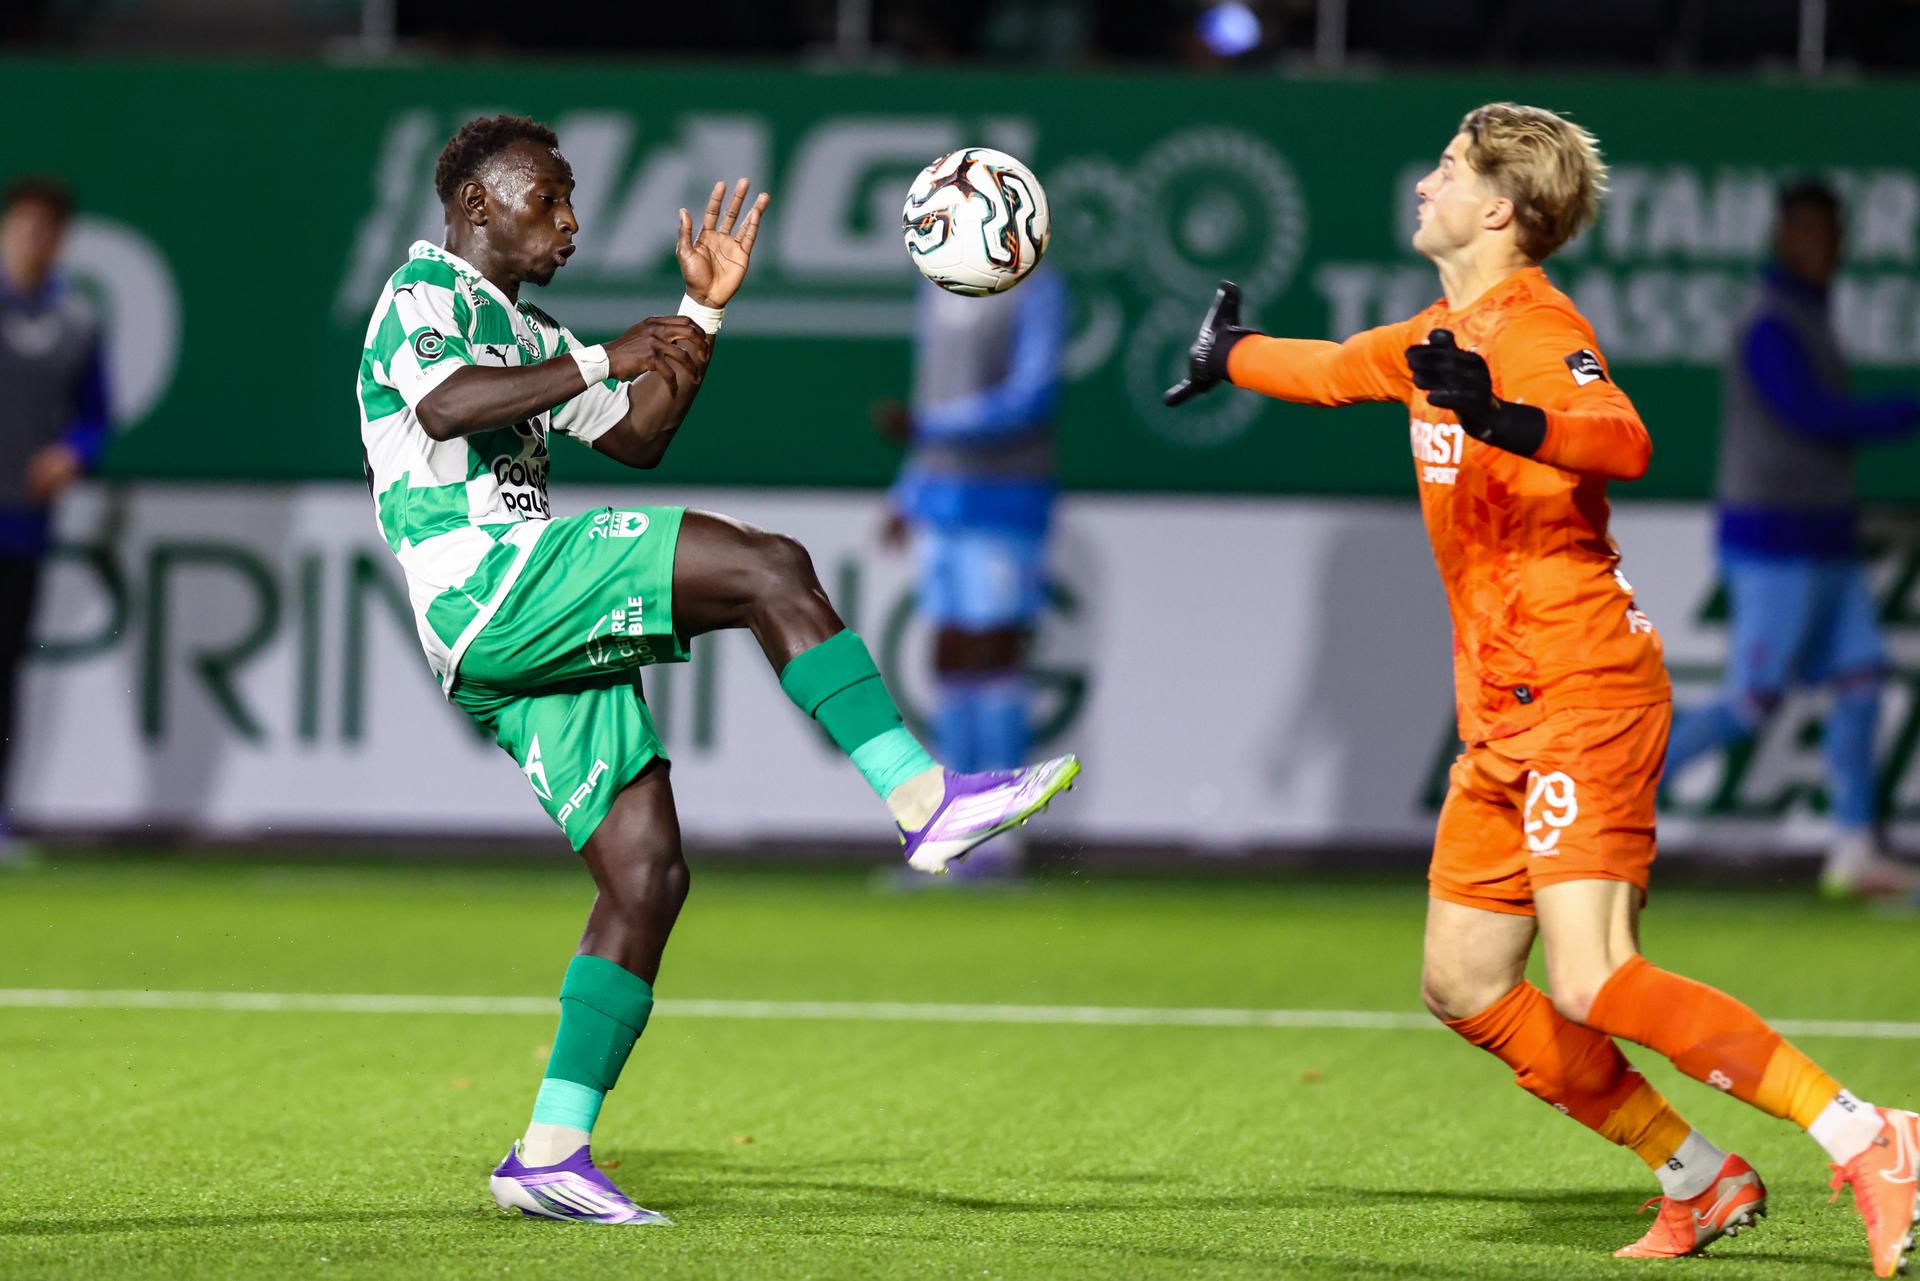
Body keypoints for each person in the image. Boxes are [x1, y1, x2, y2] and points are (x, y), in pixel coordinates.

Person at [1165, 103, 1918, 1276]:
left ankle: (1870, 1134)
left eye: (1449, 170)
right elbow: (1329, 371)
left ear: (1500, 208)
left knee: (1595, 977)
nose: (1425, 184)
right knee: (1462, 982)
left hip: (1584, 686)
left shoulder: (1532, 330)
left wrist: (1499, 414)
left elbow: (1622, 440)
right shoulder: (1438, 335)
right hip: (1502, 717)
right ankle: (1699, 1174)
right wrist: (1230, 357)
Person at [356, 115, 1079, 1225]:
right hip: (487, 584)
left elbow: (638, 437)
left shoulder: (523, 324)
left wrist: (701, 313)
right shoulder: (422, 297)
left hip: (508, 624)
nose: (571, 220)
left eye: (569, 196)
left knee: (646, 876)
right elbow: (447, 406)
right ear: (475, 208)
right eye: (547, 198)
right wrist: (608, 351)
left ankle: (549, 1152)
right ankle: (922, 798)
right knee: (767, 567)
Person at [1665, 180, 1920, 900]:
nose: (1823, 246)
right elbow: (1810, 415)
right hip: (1774, 540)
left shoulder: (1809, 315)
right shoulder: (1769, 322)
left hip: (1828, 538)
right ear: (1783, 237)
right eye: (1808, 232)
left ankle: (1854, 847)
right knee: (1753, 702)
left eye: (1832, 233)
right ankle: (1612, 815)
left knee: (1863, 680)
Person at [881, 268, 1068, 877]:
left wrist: (931, 429)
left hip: (1004, 499)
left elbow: (1033, 395)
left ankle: (1001, 839)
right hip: (942, 500)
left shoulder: (1036, 288)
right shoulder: (936, 287)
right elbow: (930, 388)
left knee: (994, 654)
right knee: (952, 656)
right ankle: (956, 833)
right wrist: (908, 492)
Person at [0, 176, 110, 862]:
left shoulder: (75, 323)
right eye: (26, 225)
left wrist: (71, 453)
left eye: (49, 227)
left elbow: (96, 416)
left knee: (5, 674)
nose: (36, 238)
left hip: (21, 526)